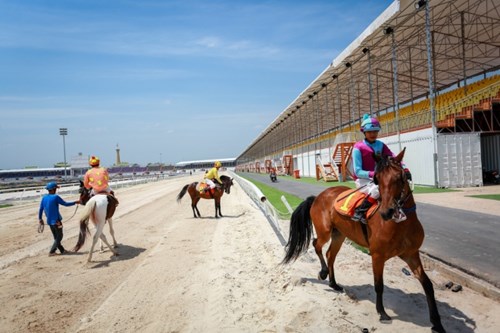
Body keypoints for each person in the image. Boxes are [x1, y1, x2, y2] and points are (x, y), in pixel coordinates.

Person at [351, 114, 411, 224]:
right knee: (376, 190)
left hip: (378, 177)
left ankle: (397, 210)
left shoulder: (381, 145)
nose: (373, 134)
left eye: (375, 131)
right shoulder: (357, 147)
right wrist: (375, 174)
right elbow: (357, 171)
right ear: (364, 132)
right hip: (363, 179)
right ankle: (360, 211)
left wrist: (405, 169)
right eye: (370, 132)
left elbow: (394, 158)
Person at [38, 182, 80, 256]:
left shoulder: (44, 197)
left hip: (49, 221)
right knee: (60, 236)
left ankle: (62, 250)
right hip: (57, 221)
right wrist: (75, 202)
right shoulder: (55, 197)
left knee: (56, 237)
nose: (56, 190)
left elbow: (41, 209)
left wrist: (40, 219)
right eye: (56, 189)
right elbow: (65, 204)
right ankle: (52, 251)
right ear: (54, 189)